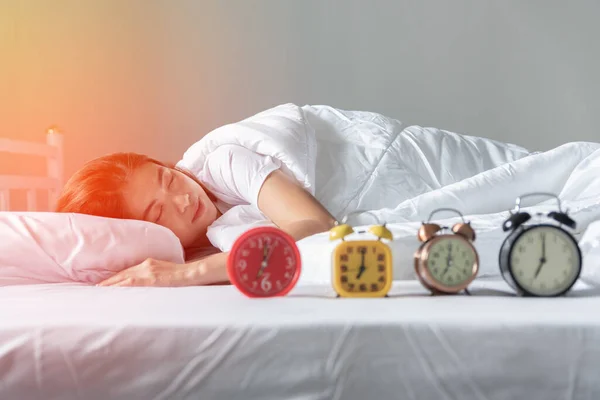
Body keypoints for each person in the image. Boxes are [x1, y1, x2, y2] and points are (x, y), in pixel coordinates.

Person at [55, 150, 337, 287]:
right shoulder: (200, 243)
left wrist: (186, 275)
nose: (184, 199)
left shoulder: (224, 161)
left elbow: (315, 224)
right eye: (159, 212)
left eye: (168, 179)